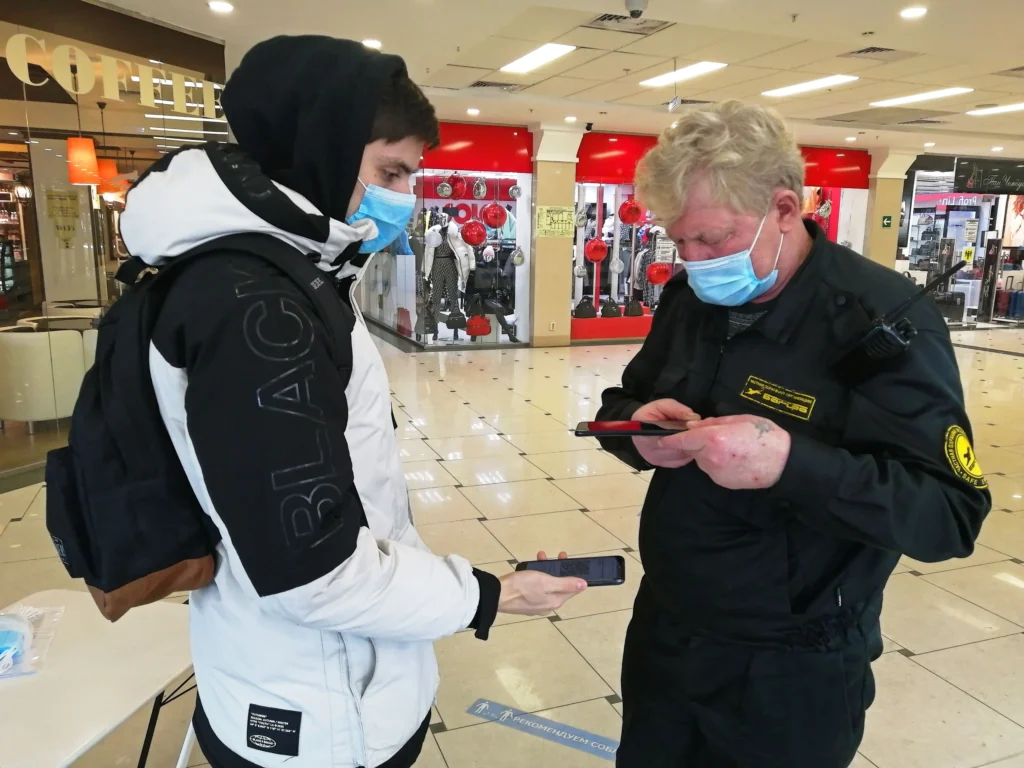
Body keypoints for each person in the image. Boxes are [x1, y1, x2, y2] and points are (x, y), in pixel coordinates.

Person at [118, 36, 585, 768]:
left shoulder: (283, 275)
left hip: (296, 671)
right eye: (390, 171)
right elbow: (314, 574)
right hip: (320, 714)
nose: (404, 195)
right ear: (321, 152)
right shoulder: (256, 308)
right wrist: (487, 595)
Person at [595, 100, 991, 768]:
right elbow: (625, 402)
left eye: (712, 239)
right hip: (668, 627)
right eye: (679, 242)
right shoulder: (691, 298)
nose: (694, 260)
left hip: (794, 663)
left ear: (784, 208)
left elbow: (948, 515)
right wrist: (637, 434)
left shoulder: (879, 320)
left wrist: (790, 464)